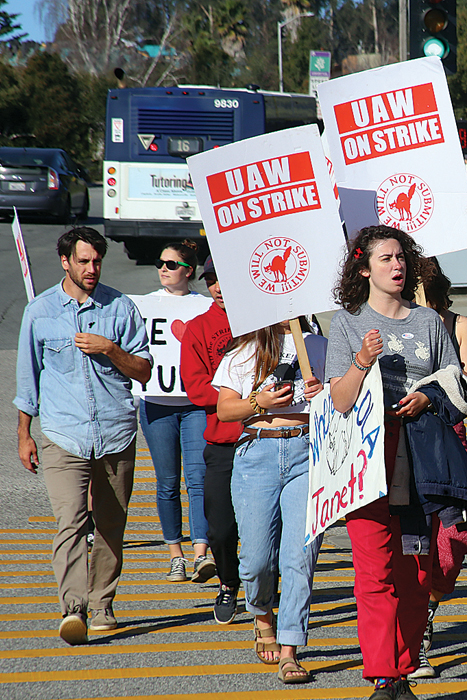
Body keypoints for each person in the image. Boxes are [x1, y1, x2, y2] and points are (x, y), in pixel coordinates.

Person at [326, 226, 467, 700]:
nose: (397, 266)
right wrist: (360, 361)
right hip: (368, 462)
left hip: (419, 461)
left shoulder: (430, 323)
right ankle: (384, 678)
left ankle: (404, 668)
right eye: (386, 259)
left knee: (415, 573)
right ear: (363, 267)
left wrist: (427, 397)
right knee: (374, 572)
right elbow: (338, 401)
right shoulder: (348, 321)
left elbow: (461, 389)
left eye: (402, 257)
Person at [15, 227, 152, 645]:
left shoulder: (120, 307)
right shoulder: (39, 312)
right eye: (83, 261)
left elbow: (143, 370)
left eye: (97, 262)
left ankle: (102, 603)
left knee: (111, 523)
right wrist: (24, 434)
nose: (91, 269)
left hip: (114, 432)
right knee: (70, 521)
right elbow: (27, 381)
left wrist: (111, 349)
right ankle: (73, 608)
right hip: (63, 434)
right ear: (65, 262)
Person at [214, 317, 327, 683]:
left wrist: (322, 394)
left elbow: (344, 396)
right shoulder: (244, 352)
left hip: (307, 451)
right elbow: (224, 410)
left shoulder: (319, 346)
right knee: (257, 559)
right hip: (256, 452)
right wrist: (258, 402)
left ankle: (290, 649)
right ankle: (262, 615)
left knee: (300, 557)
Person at [410, 257, 467, 679]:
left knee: (453, 541)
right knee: (416, 543)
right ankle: (418, 636)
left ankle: (430, 605)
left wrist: (434, 389)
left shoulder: (458, 325)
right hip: (406, 445)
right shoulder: (393, 323)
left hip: (448, 442)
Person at [139, 240, 215, 584]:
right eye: (160, 263)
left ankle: (201, 553)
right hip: (156, 406)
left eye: (171, 264)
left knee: (198, 479)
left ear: (188, 270)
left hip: (196, 404)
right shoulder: (141, 304)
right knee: (167, 482)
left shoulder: (206, 305)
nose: (163, 268)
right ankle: (175, 555)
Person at [180, 258, 243, 624]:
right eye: (211, 281)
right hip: (221, 442)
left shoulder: (261, 324)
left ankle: (263, 581)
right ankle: (228, 583)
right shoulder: (198, 328)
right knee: (219, 527)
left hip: (262, 437)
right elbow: (196, 388)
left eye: (224, 279)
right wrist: (239, 396)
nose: (218, 288)